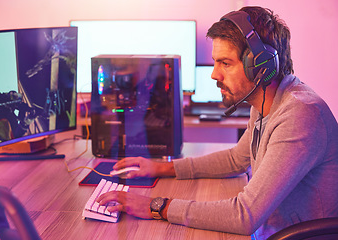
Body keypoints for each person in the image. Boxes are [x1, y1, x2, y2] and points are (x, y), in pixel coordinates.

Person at [96, 6, 338, 239]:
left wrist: (156, 205)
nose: (214, 74)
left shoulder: (300, 115)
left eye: (225, 63)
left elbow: (244, 215)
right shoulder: (265, 101)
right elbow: (236, 159)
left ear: (262, 67)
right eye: (215, 62)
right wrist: (163, 168)